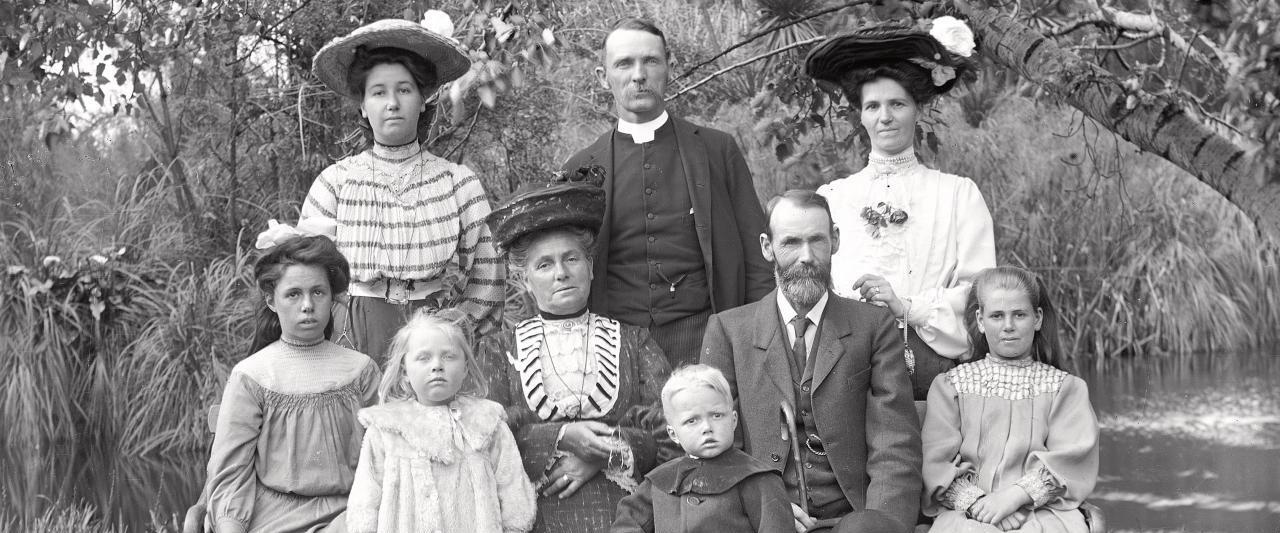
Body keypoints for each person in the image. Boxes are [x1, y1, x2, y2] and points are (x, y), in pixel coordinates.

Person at [700, 190, 922, 533]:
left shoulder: (872, 327)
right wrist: (766, 509)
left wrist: (879, 524)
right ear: (766, 247)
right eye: (791, 242)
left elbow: (895, 446)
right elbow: (714, 444)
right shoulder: (729, 331)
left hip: (855, 520)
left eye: (817, 240)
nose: (806, 257)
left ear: (834, 240)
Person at [561, 18, 773, 369]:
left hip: (708, 337)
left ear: (668, 67)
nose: (639, 74)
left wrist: (756, 343)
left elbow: (757, 259)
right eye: (624, 63)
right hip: (615, 346)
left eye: (651, 61)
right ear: (603, 77)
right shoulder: (580, 167)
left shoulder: (717, 150)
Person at [805, 17, 997, 400]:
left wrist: (906, 307)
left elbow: (980, 293)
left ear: (918, 110)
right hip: (845, 369)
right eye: (873, 106)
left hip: (932, 369)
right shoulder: (831, 197)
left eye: (897, 104)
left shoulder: (958, 194)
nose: (885, 117)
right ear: (860, 115)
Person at [477, 169, 678, 532]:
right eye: (544, 265)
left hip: (626, 516)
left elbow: (674, 429)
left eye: (571, 259)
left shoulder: (634, 342)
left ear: (590, 268)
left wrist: (604, 455)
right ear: (524, 280)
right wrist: (561, 437)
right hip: (533, 517)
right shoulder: (497, 349)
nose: (560, 273)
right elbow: (484, 435)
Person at [305, 14, 504, 360]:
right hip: (351, 334)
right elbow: (308, 274)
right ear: (363, 107)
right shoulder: (335, 183)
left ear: (423, 99)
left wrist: (455, 333)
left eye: (404, 89)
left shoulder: (458, 183)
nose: (392, 103)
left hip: (433, 337)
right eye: (378, 92)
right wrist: (333, 331)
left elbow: (488, 274)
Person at [203, 225, 381, 532]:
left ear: (331, 297)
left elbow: (385, 460)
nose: (307, 305)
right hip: (272, 517)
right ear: (272, 301)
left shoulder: (360, 370)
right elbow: (231, 473)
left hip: (352, 513)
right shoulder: (253, 375)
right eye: (293, 294)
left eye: (318, 292)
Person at [922, 266, 1099, 532]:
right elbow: (936, 464)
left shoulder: (1065, 388)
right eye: (996, 316)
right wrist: (982, 505)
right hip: (970, 513)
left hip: (1044, 509)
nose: (1008, 326)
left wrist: (1012, 498)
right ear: (980, 321)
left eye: (1019, 315)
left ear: (1037, 318)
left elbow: (1072, 458)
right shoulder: (951, 386)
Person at [346, 310, 537, 533]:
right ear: (404, 370)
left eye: (448, 356)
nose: (437, 365)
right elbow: (365, 501)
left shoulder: (487, 423)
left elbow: (513, 489)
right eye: (424, 357)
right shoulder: (386, 429)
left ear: (466, 367)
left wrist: (516, 527)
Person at [611, 364, 793, 533]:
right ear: (673, 433)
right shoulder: (659, 482)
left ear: (734, 420)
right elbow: (627, 524)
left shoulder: (758, 479)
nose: (707, 427)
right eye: (692, 421)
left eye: (717, 415)